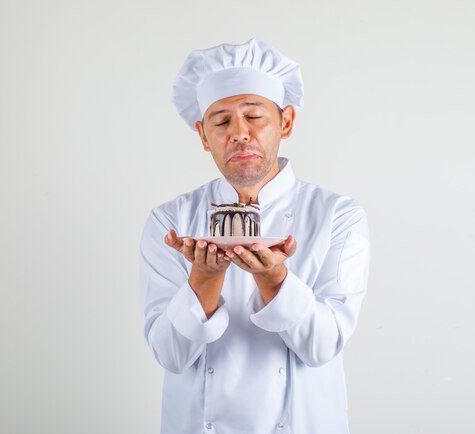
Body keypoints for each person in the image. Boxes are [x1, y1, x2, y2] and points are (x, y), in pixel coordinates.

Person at [139, 37, 371, 434]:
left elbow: (322, 346)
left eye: (254, 116)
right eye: (222, 120)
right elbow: (170, 355)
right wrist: (204, 279)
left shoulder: (338, 216)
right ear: (202, 134)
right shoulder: (171, 222)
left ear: (286, 122)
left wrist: (274, 279)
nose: (240, 133)